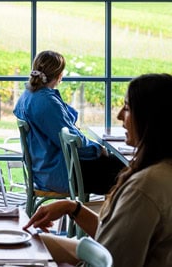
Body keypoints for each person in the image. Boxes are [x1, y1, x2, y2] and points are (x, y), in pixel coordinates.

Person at [24, 73, 172, 267]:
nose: (119, 115)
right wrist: (72, 208)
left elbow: (110, 259)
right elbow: (110, 240)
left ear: (150, 118)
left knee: (23, 248)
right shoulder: (160, 172)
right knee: (28, 242)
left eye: (127, 108)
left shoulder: (145, 187)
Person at [13, 50, 123, 195]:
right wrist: (97, 149)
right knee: (125, 170)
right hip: (61, 174)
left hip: (42, 169)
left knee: (118, 166)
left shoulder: (28, 95)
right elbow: (72, 141)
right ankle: (116, 215)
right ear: (60, 75)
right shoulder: (46, 102)